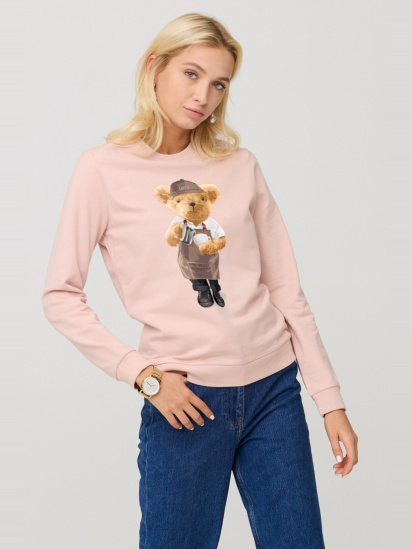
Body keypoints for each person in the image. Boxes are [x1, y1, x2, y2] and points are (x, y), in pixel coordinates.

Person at [42, 12, 359, 549]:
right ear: (155, 67)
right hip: (185, 399)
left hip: (274, 392)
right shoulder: (102, 170)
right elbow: (60, 296)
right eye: (191, 74)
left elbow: (286, 290)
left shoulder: (240, 165)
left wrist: (329, 399)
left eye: (219, 84)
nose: (203, 96)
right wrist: (145, 377)